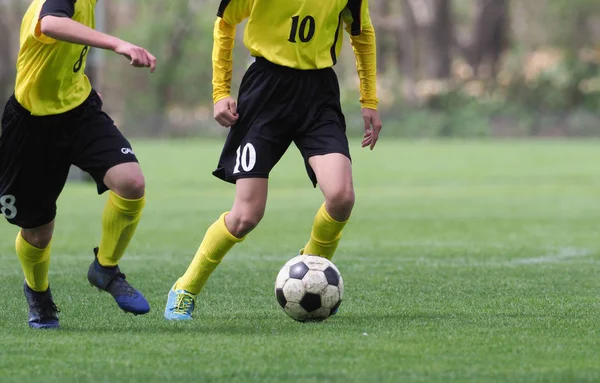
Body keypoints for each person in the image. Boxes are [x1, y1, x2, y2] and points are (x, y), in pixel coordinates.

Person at [164, 0, 382, 320]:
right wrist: (220, 91)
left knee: (341, 197)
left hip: (318, 93)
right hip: (266, 91)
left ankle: (312, 268)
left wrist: (370, 100)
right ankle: (185, 288)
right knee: (246, 215)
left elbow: (362, 34)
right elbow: (225, 22)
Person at [0, 0, 157, 329]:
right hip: (32, 126)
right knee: (38, 233)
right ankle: (38, 293)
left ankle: (106, 268)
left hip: (79, 111)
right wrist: (117, 43)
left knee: (131, 182)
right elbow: (50, 24)